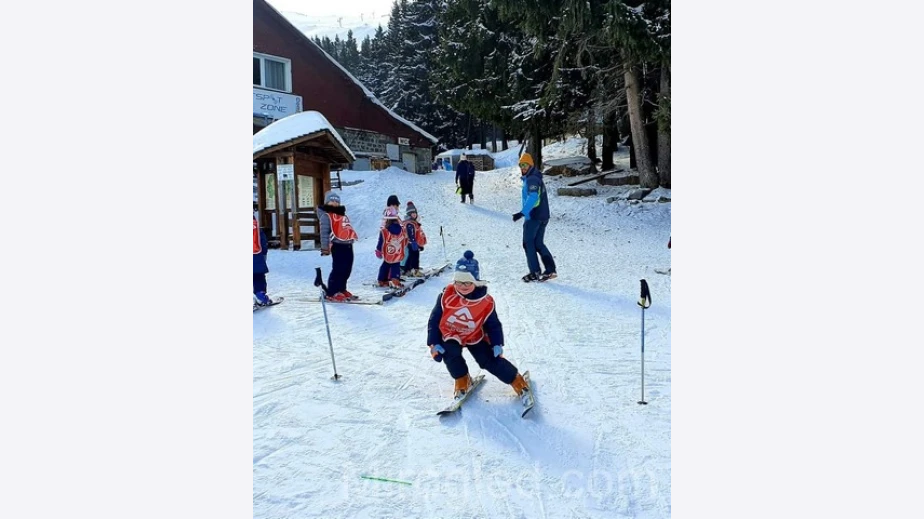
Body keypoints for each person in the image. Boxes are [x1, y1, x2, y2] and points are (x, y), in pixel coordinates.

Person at [426, 251, 530, 403]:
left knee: (487, 359)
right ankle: (462, 379)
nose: (462, 286)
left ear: (475, 281)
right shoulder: (446, 296)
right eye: (458, 282)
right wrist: (434, 342)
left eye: (467, 282)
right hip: (451, 333)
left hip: (474, 334)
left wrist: (496, 343)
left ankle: (516, 380)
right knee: (450, 353)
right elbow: (434, 319)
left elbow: (493, 324)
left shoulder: (485, 302)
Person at [511, 153, 557, 282]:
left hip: (534, 217)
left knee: (528, 243)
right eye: (521, 165)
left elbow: (533, 197)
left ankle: (534, 272)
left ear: (531, 165)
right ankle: (550, 270)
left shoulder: (532, 179)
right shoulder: (535, 177)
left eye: (525, 165)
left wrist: (522, 212)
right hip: (543, 216)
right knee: (538, 243)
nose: (523, 168)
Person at [317, 191, 358, 302]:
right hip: (337, 245)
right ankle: (332, 291)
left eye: (337, 201)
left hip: (347, 245)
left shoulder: (342, 215)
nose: (335, 203)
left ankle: (342, 288)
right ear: (327, 202)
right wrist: (325, 248)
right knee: (338, 268)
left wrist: (351, 238)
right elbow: (324, 233)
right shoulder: (326, 216)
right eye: (332, 201)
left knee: (347, 268)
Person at [376, 207, 407, 288]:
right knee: (395, 265)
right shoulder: (401, 229)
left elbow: (381, 240)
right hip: (397, 251)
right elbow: (404, 239)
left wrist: (379, 250)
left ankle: (382, 280)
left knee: (385, 264)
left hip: (388, 251)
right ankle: (395, 280)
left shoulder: (384, 231)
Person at [401, 201, 427, 277]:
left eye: (415, 213)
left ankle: (407, 270)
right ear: (409, 215)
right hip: (411, 243)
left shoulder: (413, 222)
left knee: (411, 256)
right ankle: (415, 270)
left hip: (413, 243)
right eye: (412, 213)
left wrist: (419, 245)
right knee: (415, 256)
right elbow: (410, 234)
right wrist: (413, 242)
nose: (414, 214)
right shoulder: (410, 223)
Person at [253, 214, 273, 305]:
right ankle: (260, 296)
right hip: (257, 257)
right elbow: (263, 241)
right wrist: (264, 254)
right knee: (259, 276)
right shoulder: (256, 228)